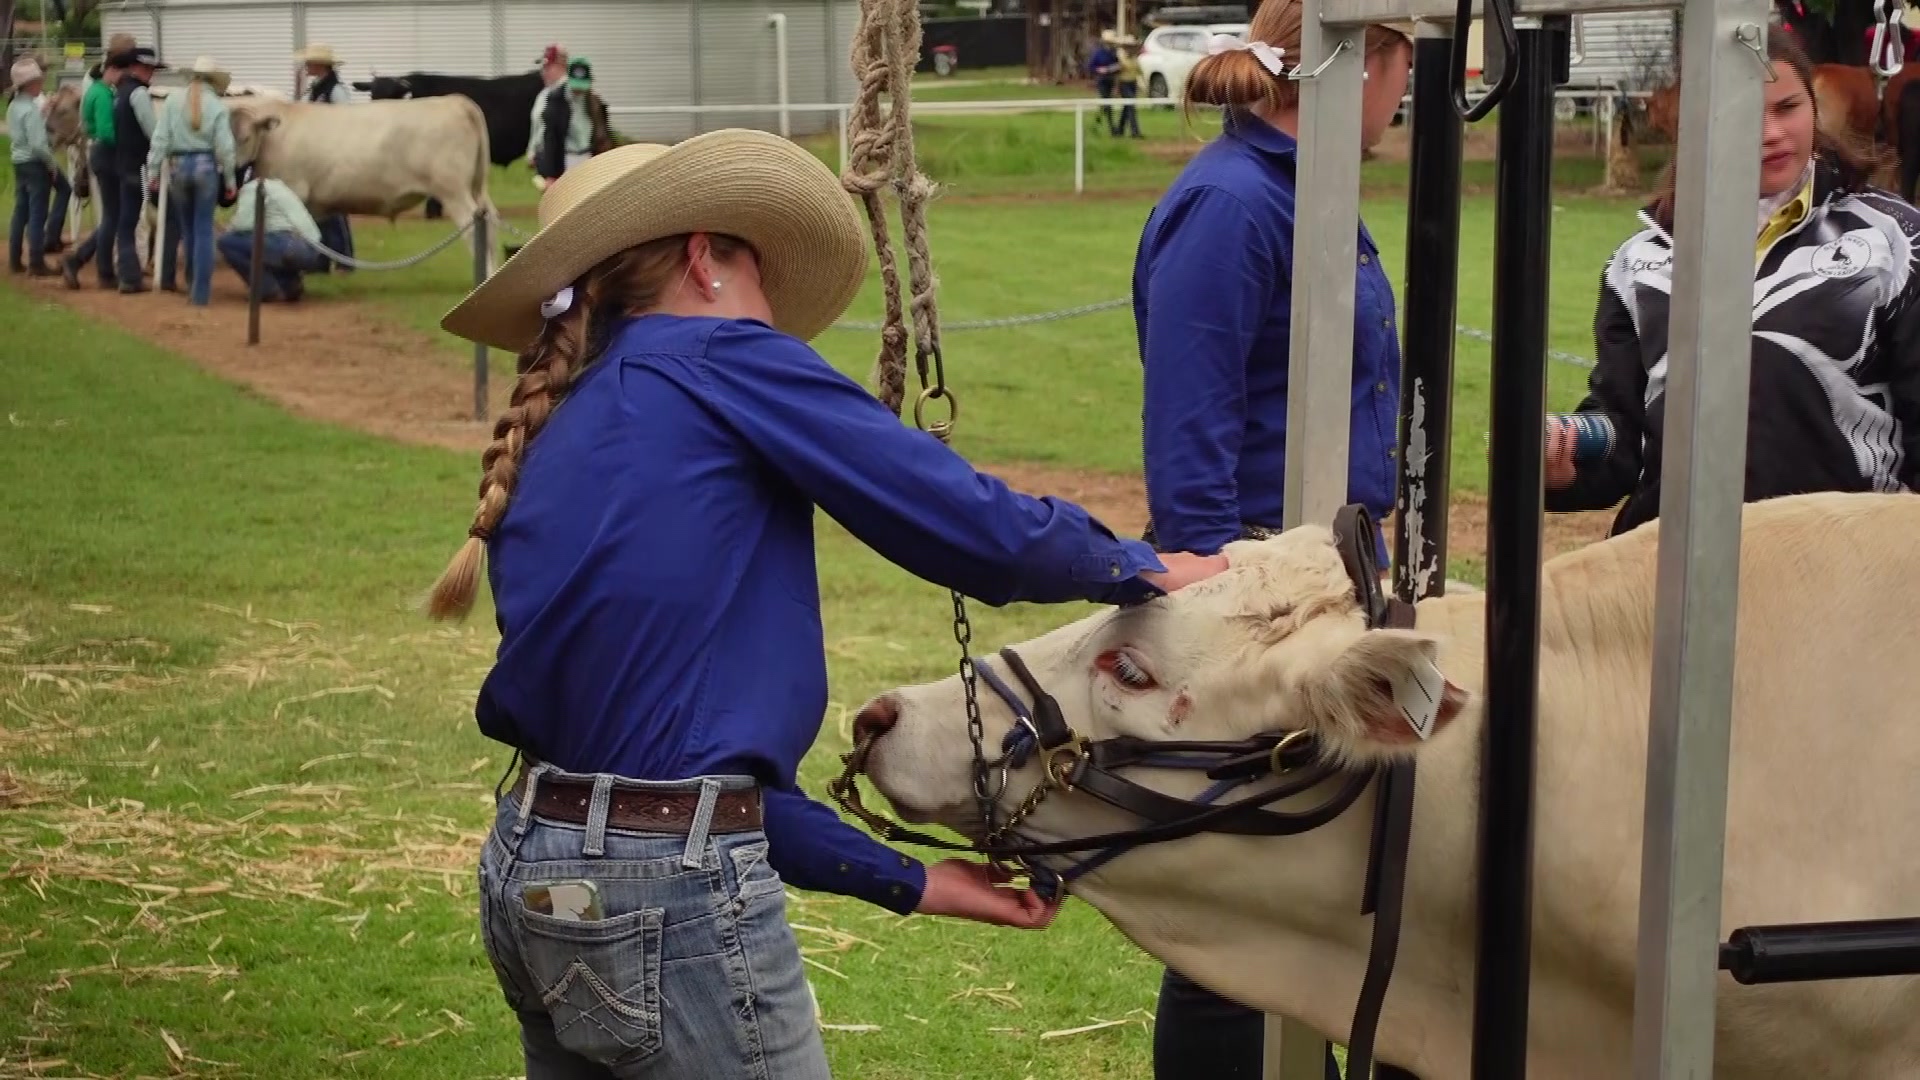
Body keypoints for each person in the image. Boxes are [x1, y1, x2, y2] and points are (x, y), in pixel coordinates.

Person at [427, 130, 1230, 1079]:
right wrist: (1142, 569)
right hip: (666, 897)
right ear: (704, 258)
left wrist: (915, 880)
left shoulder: (564, 431)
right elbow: (952, 516)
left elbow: (675, 789)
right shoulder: (719, 354)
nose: (776, 321)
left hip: (531, 870)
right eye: (763, 276)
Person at [1129, 2, 1419, 1078]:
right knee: (1243, 923)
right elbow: (1190, 445)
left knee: (1344, 873)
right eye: (1405, 65)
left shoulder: (1304, 196)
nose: (1405, 96)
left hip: (1339, 584)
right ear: (1368, 60)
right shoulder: (1233, 206)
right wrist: (1234, 619)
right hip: (1266, 597)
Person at [1546, 25, 1920, 532]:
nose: (1771, 132)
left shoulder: (1897, 240)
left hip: (1841, 574)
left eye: (1788, 107)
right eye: (1745, 112)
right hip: (1676, 573)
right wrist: (1567, 455)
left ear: (1813, 107)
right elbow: (1625, 432)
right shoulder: (1640, 262)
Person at [147, 55, 237, 306]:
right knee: (203, 230)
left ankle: (190, 283)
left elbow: (160, 140)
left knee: (188, 232)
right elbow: (226, 149)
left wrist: (153, 173)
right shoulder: (217, 106)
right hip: (206, 169)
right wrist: (230, 180)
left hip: (177, 169)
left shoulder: (173, 101)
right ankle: (200, 292)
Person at [63, 49, 128, 289]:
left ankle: (98, 268)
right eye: (122, 72)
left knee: (112, 215)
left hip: (98, 154)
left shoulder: (94, 91)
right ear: (112, 70)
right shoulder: (103, 95)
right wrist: (126, 143)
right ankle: (86, 262)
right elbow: (106, 131)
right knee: (114, 215)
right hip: (107, 155)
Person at [217, 166, 328, 302]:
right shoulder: (277, 185)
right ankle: (289, 285)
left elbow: (243, 224)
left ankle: (267, 289)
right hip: (312, 249)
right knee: (266, 244)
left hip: (291, 246)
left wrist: (228, 228)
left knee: (227, 242)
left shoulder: (253, 188)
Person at [112, 45, 167, 294]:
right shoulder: (139, 95)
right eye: (146, 68)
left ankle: (127, 273)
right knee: (136, 220)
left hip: (123, 163)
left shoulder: (120, 93)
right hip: (140, 166)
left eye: (151, 69)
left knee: (126, 222)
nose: (150, 73)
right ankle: (131, 276)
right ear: (134, 67)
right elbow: (153, 132)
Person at [296, 44, 355, 271]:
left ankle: (343, 261)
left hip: (332, 157)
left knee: (332, 209)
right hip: (318, 158)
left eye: (310, 62)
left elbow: (346, 122)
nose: (307, 66)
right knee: (319, 209)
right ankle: (323, 259)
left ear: (320, 65)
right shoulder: (316, 90)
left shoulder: (335, 91)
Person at [8, 58, 61, 276]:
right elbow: (38, 144)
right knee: (37, 213)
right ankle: (36, 262)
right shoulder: (30, 109)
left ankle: (15, 258)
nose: (42, 84)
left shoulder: (14, 106)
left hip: (19, 162)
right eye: (39, 80)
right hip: (34, 163)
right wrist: (51, 164)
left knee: (21, 211)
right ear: (30, 83)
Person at [534, 56, 609, 185]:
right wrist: (550, 174)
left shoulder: (594, 103)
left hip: (587, 156)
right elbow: (551, 137)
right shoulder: (556, 101)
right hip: (566, 157)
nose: (578, 90)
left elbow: (602, 133)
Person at [525, 44, 568, 189]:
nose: (544, 72)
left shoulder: (569, 94)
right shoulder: (544, 94)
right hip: (544, 158)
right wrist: (532, 152)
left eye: (547, 68)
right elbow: (538, 126)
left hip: (562, 161)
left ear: (560, 66)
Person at [1111, 38, 1143, 139]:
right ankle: (1135, 131)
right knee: (1131, 107)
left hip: (1132, 83)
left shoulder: (1135, 59)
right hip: (1124, 83)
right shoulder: (1121, 59)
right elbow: (1117, 73)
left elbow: (1138, 72)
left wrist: (1140, 85)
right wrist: (1116, 88)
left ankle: (1119, 129)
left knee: (1127, 108)